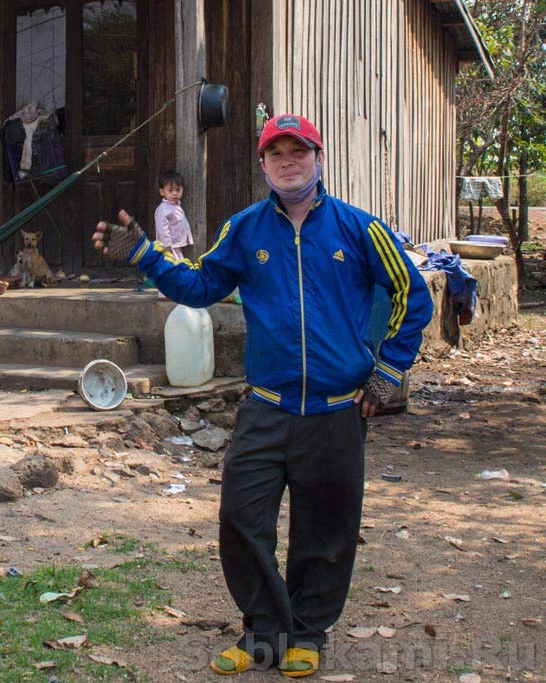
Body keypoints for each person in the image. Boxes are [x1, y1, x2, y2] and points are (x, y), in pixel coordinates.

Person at [93, 114, 433, 678]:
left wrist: (390, 369)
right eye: (276, 154)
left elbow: (411, 294)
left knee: (326, 530)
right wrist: (146, 257)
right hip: (265, 407)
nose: (288, 162)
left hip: (336, 410)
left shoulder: (359, 228)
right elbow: (200, 286)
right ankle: (265, 633)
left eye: (298, 152)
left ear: (318, 158)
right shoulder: (245, 230)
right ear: (263, 164)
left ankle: (308, 633)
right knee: (241, 520)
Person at [154, 170, 195, 299]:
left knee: (176, 268)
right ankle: (164, 293)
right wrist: (167, 245)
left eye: (178, 190)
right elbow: (162, 228)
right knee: (169, 268)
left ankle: (172, 291)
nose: (175, 193)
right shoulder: (163, 209)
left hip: (177, 244)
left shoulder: (176, 206)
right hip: (169, 246)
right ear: (162, 192)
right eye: (170, 191)